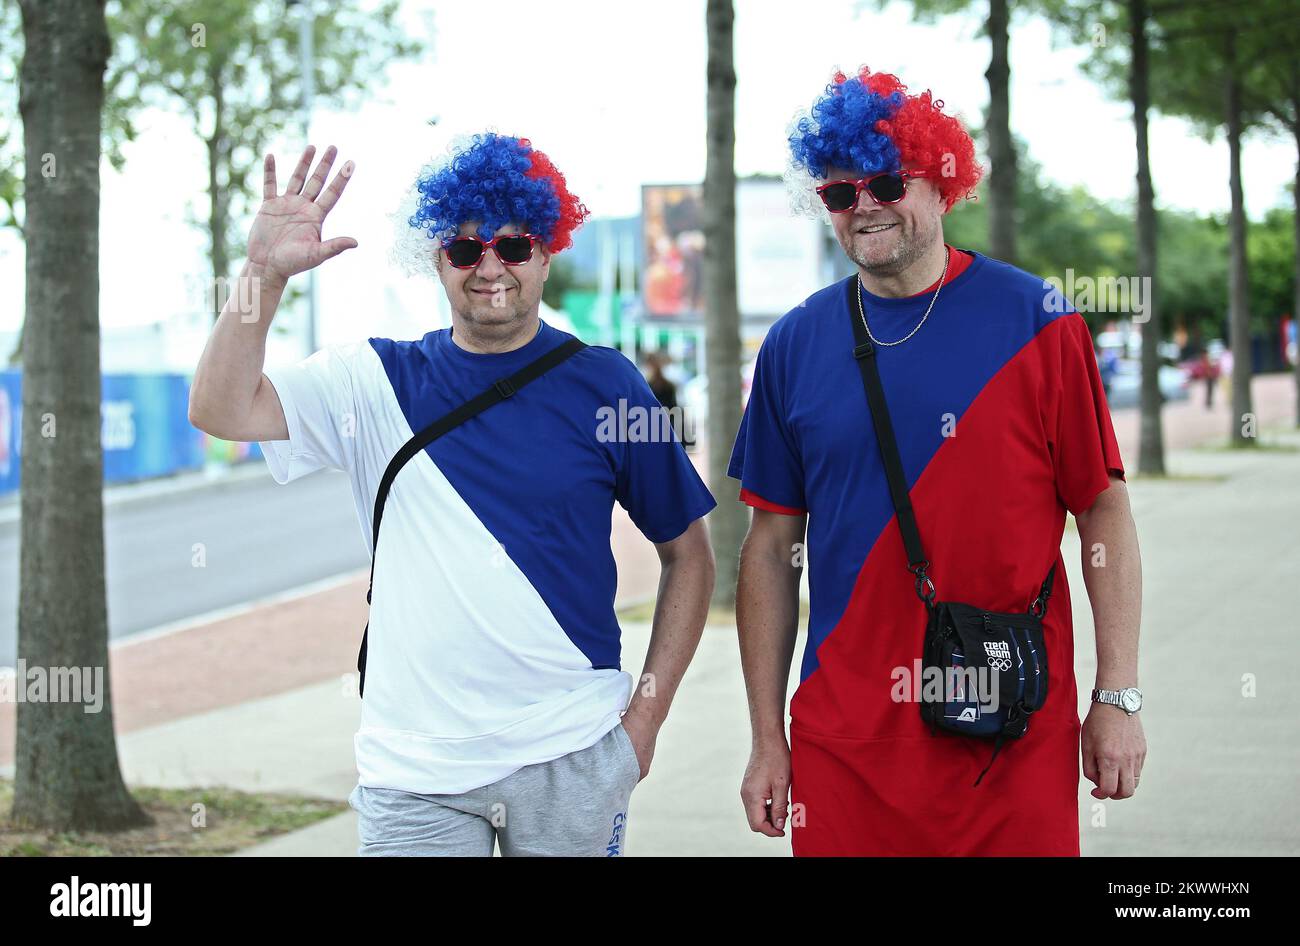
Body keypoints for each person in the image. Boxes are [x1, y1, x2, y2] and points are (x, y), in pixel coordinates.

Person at [188, 134, 717, 856]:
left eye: (514, 245)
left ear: (547, 252)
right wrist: (261, 273)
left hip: (574, 750)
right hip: (414, 770)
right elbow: (221, 409)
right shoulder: (373, 380)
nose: (490, 267)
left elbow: (689, 555)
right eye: (465, 249)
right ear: (435, 258)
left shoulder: (608, 384)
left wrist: (643, 724)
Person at [729, 67, 1146, 856]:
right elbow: (770, 549)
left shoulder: (1038, 320)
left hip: (1008, 729)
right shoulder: (793, 343)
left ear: (942, 180)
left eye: (887, 181)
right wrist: (766, 737)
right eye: (840, 193)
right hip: (844, 743)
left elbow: (1102, 508)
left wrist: (1117, 695)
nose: (864, 206)